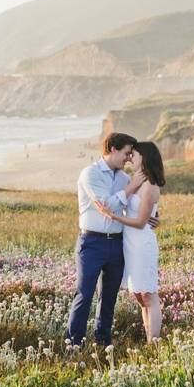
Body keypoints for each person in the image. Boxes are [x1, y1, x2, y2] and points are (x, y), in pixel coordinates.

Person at [64, 132, 156, 347]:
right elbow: (107, 205)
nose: (128, 158)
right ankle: (73, 344)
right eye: (126, 153)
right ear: (113, 149)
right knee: (84, 294)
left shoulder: (124, 178)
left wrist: (150, 217)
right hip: (92, 242)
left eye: (131, 154)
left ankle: (103, 342)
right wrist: (132, 187)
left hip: (117, 242)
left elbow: (133, 204)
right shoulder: (91, 174)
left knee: (109, 297)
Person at [97, 141, 166, 343]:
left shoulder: (150, 186)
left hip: (141, 244)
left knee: (149, 295)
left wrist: (113, 216)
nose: (130, 158)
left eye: (133, 155)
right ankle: (149, 338)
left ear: (144, 158)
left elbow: (140, 222)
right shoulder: (135, 183)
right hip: (130, 244)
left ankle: (154, 343)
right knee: (139, 296)